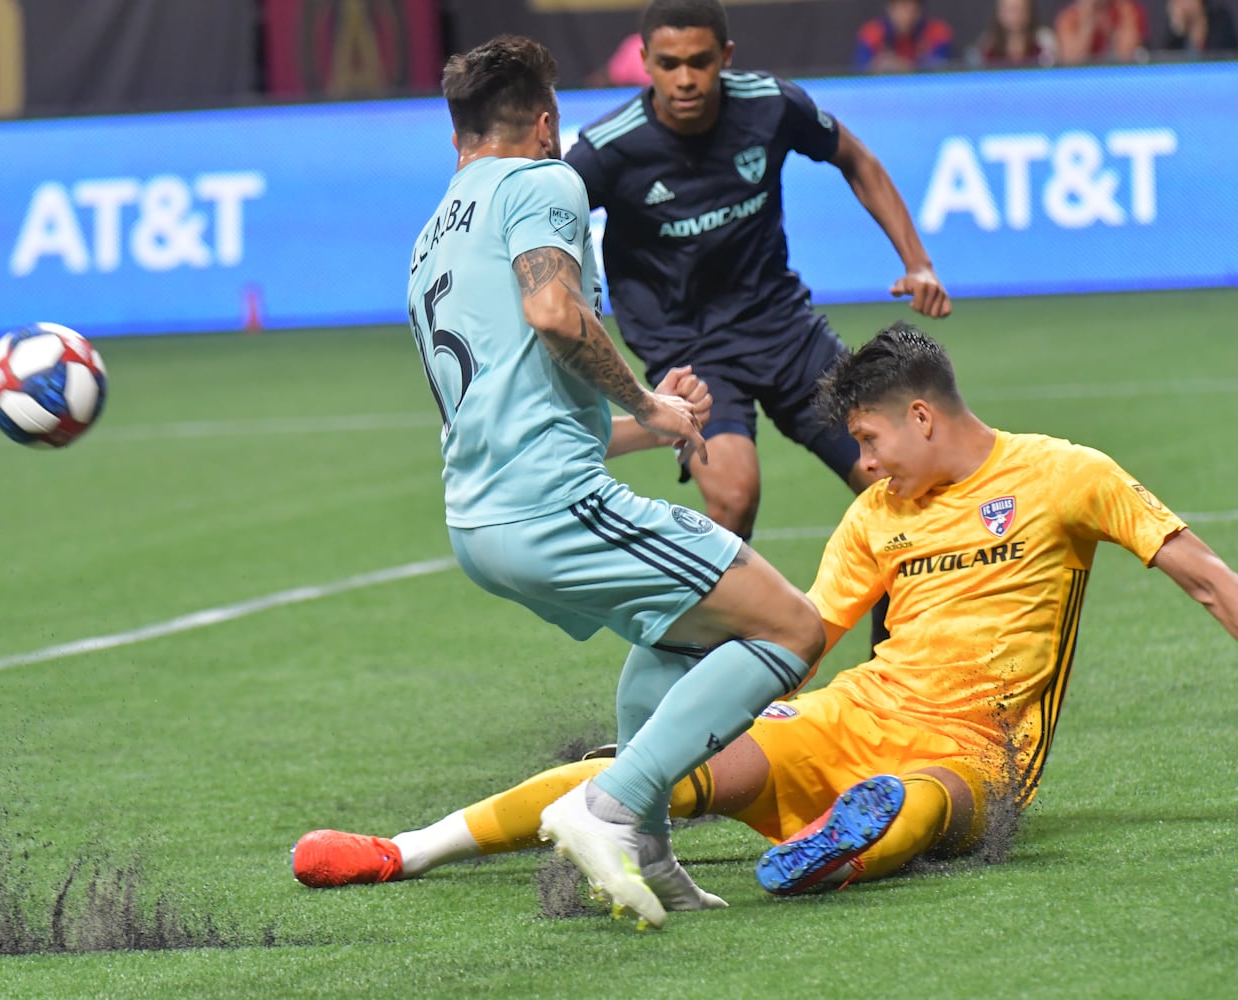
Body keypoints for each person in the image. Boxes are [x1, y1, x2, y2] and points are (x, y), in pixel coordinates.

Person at [292, 323, 1238, 902]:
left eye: (867, 441)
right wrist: (685, 677)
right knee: (642, 775)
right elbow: (803, 642)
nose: (862, 465)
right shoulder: (876, 515)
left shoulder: (1068, 475)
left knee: (930, 804)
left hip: (977, 752)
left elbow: (1205, 577)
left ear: (919, 415)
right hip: (848, 719)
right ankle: (401, 851)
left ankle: (846, 839)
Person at [380, 33, 835, 930]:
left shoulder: (434, 235)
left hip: (484, 520)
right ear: (545, 124)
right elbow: (555, 315)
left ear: (457, 137)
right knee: (790, 627)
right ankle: (610, 804)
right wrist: (651, 402)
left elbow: (517, 405)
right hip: (552, 508)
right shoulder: (543, 182)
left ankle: (649, 848)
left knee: (672, 634)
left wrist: (640, 418)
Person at [564, 0, 950, 647]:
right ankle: (699, 663)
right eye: (667, 64)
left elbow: (854, 157)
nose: (684, 78)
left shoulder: (770, 104)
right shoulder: (607, 152)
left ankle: (895, 670)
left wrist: (917, 262)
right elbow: (542, 232)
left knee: (896, 486)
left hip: (785, 332)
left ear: (725, 58)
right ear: (646, 63)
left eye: (698, 62)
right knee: (733, 495)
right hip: (689, 351)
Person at [854, 0, 957, 72]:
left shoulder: (937, 32)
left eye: (913, 9)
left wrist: (904, 67)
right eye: (903, 7)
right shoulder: (872, 33)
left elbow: (943, 70)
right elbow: (859, 72)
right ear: (891, 8)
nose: (908, 16)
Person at [1053, 0, 1149, 63]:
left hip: (1118, 79)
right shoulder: (1070, 17)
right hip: (1083, 81)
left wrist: (1109, 28)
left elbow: (1126, 54)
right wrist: (1087, 21)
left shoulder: (1127, 10)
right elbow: (1071, 60)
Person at [970, 0, 1059, 66]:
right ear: (999, 12)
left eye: (1020, 9)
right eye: (1010, 10)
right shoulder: (987, 46)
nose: (1015, 16)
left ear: (1029, 11)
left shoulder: (1044, 41)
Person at [1158, 0, 1238, 53]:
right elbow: (1167, 62)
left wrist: (1196, 28)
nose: (1180, 5)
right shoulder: (1176, 32)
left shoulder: (1220, 19)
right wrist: (1177, 29)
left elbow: (1219, 57)